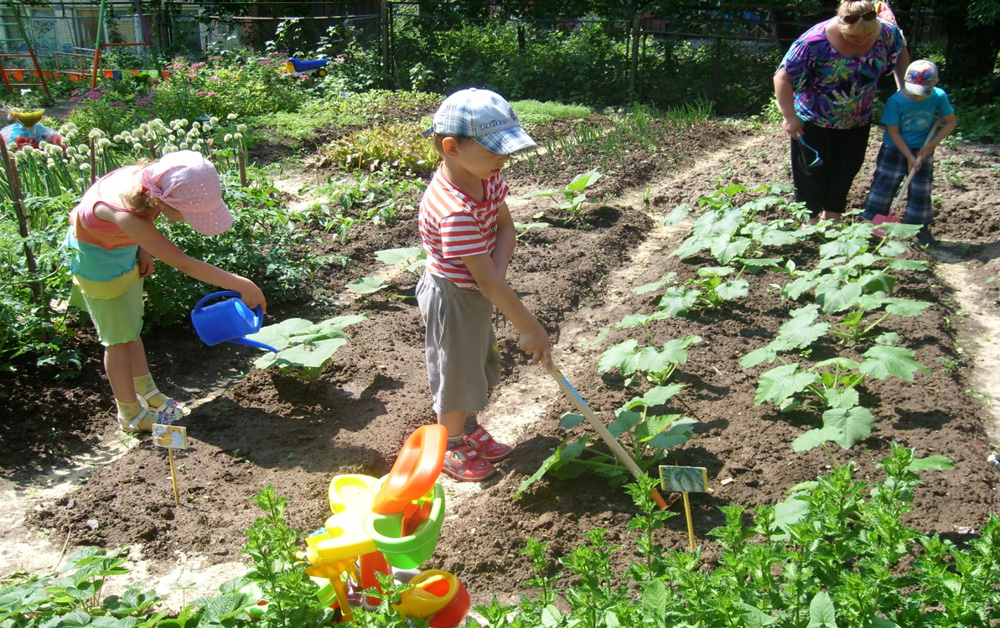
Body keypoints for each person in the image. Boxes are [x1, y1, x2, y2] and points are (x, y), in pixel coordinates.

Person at [64, 150, 266, 433]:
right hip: (99, 265)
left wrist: (141, 247)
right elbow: (184, 263)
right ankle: (130, 413)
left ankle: (147, 391)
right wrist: (242, 284)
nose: (187, 219)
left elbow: (142, 222)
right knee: (117, 340)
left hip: (123, 253)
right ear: (164, 201)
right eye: (188, 213)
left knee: (131, 328)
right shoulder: (125, 211)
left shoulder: (149, 184)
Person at [417, 88, 553, 482]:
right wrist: (531, 328)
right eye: (495, 149)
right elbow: (488, 279)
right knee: (456, 371)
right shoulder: (454, 211)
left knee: (476, 362)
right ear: (451, 147)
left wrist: (494, 272)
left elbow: (506, 226)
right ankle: (449, 444)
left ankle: (468, 428)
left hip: (476, 289)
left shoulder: (487, 179)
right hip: (453, 297)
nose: (504, 158)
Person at [774, 0, 909, 221]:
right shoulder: (813, 42)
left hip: (858, 118)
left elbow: (900, 51)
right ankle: (810, 222)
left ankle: (833, 220)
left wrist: (904, 91)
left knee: (846, 170)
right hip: (814, 119)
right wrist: (789, 117)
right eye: (854, 37)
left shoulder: (887, 33)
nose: (862, 41)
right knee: (812, 171)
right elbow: (782, 77)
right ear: (841, 23)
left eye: (868, 36)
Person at [861, 60, 957, 245]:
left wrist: (932, 145)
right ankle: (872, 225)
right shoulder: (897, 101)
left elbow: (950, 122)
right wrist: (909, 156)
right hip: (895, 148)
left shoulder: (938, 97)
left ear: (935, 83)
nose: (918, 97)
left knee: (921, 189)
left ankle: (919, 229)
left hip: (923, 148)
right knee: (884, 186)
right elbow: (893, 131)